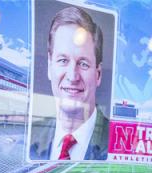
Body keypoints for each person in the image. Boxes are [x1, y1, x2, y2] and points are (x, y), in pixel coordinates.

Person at [30, 6, 109, 161]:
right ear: (49, 67)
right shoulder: (31, 135)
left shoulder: (119, 142)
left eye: (83, 64)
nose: (73, 76)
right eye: (63, 60)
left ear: (98, 74)